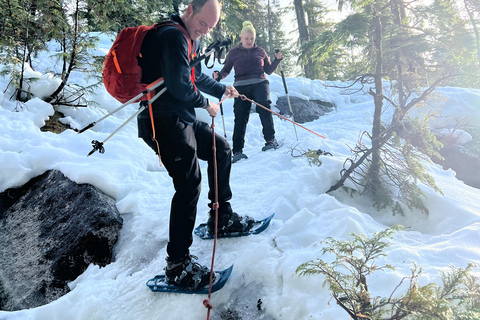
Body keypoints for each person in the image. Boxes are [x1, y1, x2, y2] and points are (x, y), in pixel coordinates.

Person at [137, 0, 254, 290]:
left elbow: (194, 75)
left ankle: (220, 216)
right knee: (188, 185)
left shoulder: (188, 37)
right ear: (189, 10)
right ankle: (177, 265)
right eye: (202, 23)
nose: (204, 31)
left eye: (210, 28)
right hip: (161, 121)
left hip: (180, 117)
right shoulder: (173, 36)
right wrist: (206, 104)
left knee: (221, 149)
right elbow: (179, 86)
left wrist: (221, 88)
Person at [213, 21, 283, 163]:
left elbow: (268, 70)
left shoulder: (260, 51)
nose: (249, 41)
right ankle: (237, 150)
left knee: (264, 108)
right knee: (240, 116)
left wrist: (277, 60)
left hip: (260, 83)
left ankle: (270, 140)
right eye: (246, 38)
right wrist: (218, 76)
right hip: (241, 87)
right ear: (241, 38)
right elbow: (226, 69)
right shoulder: (234, 53)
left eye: (251, 38)